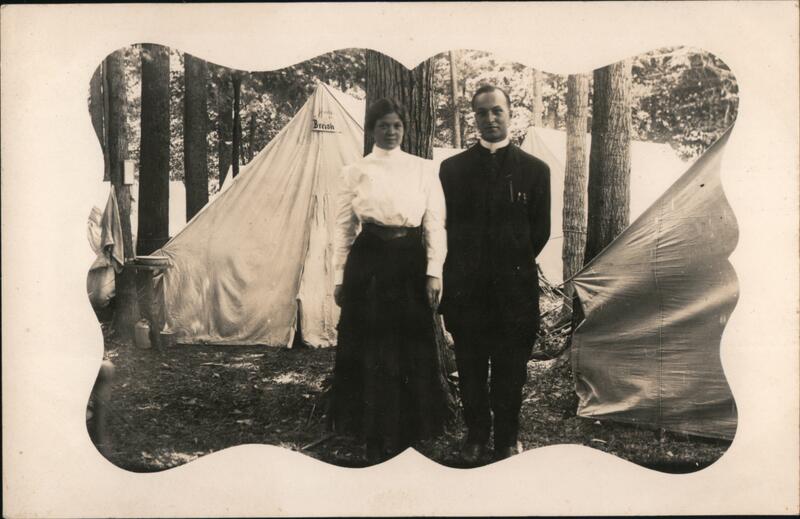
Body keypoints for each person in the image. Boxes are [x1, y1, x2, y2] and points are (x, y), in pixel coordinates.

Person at [330, 97, 452, 464]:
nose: (391, 131)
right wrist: (339, 276)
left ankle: (407, 430)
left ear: (405, 129)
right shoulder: (354, 171)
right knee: (370, 346)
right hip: (368, 262)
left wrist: (434, 271)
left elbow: (434, 223)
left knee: (406, 346)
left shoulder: (423, 169)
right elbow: (343, 228)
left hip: (409, 262)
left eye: (397, 125)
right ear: (372, 129)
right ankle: (369, 429)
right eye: (384, 124)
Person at [438, 85, 551, 463]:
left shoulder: (536, 171)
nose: (490, 119)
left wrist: (508, 266)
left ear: (510, 113)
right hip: (467, 293)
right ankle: (475, 436)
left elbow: (540, 232)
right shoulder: (452, 170)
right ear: (474, 118)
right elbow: (445, 228)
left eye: (497, 111)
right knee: (470, 370)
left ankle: (507, 436)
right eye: (482, 113)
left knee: (510, 371)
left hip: (514, 293)